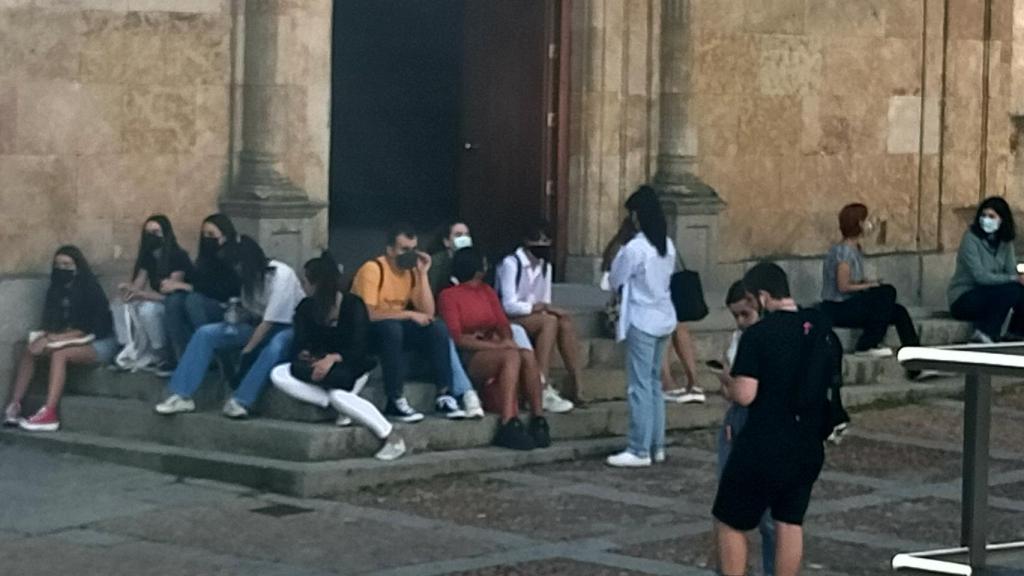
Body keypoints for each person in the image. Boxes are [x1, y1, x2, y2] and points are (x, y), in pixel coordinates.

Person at [713, 262, 828, 576]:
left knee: (730, 521)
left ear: (763, 296)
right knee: (789, 522)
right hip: (807, 439)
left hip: (765, 441)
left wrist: (727, 381)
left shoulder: (759, 335)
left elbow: (746, 393)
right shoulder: (818, 327)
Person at [271, 252, 406, 461]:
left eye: (306, 281)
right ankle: (334, 405)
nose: (303, 286)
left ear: (316, 283)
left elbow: (359, 348)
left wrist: (333, 358)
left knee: (339, 395)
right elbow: (301, 342)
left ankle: (390, 435)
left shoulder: (353, 305)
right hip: (319, 365)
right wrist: (308, 355)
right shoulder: (306, 308)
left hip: (351, 365)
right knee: (279, 373)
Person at [155, 236, 305, 419]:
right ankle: (181, 394)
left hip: (288, 328)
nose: (237, 271)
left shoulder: (282, 275)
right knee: (206, 333)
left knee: (275, 346)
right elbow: (252, 312)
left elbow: (270, 322)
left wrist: (246, 353)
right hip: (255, 325)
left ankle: (241, 400)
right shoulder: (245, 281)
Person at [351, 225, 482, 423]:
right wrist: (409, 314)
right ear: (390, 250)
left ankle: (444, 395)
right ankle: (395, 398)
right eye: (404, 250)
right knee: (392, 328)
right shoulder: (373, 269)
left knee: (437, 327)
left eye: (413, 249)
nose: (409, 255)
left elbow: (428, 313)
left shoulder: (411, 273)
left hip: (397, 328)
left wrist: (422, 275)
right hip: (369, 331)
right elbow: (368, 314)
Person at [439, 247, 550, 450]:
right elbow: (456, 337)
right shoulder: (449, 296)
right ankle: (508, 420)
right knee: (510, 357)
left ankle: (538, 417)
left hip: (494, 344)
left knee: (525, 354)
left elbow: (502, 323)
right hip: (471, 354)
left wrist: (506, 338)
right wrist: (495, 345)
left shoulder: (486, 291)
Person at [4, 246, 117, 432]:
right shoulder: (55, 290)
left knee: (60, 355)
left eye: (67, 264)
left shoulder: (90, 289)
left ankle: (49, 412)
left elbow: (87, 329)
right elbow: (50, 324)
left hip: (98, 341)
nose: (61, 268)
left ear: (77, 266)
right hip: (67, 338)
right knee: (30, 349)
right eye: (57, 264)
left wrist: (53, 338)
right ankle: (15, 405)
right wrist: (44, 338)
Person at [606, 186, 678, 468]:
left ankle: (638, 447)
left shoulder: (635, 248)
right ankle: (656, 444)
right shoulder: (667, 245)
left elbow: (616, 278)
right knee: (654, 383)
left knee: (639, 385)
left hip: (641, 318)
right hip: (663, 316)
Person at [602, 216, 703, 404]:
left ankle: (693, 381)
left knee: (676, 326)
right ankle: (668, 381)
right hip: (623, 310)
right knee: (658, 330)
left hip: (653, 309)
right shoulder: (628, 248)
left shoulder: (658, 246)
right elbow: (614, 281)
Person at [713, 281, 775, 576]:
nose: (739, 322)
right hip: (737, 416)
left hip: (760, 420)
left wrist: (730, 381)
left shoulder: (766, 338)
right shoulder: (739, 338)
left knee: (770, 516)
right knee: (727, 507)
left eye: (744, 315)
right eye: (735, 316)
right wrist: (726, 381)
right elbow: (732, 393)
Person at [497, 220, 581, 412]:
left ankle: (577, 383)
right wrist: (538, 307)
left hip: (534, 315)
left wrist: (545, 308)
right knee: (549, 322)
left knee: (564, 323)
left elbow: (545, 299)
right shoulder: (512, 263)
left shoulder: (545, 266)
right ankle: (540, 384)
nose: (542, 244)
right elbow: (508, 304)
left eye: (546, 239)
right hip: (510, 317)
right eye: (538, 239)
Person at [821, 203, 920, 360]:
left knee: (898, 312)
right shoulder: (844, 251)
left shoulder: (855, 249)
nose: (870, 224)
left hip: (851, 305)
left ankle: (916, 360)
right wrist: (869, 286)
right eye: (866, 220)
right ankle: (866, 345)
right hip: (838, 307)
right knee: (887, 292)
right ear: (859, 223)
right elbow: (843, 286)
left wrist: (867, 282)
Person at [111, 215, 192, 375]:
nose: (151, 237)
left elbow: (171, 296)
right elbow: (138, 285)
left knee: (148, 310)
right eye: (148, 233)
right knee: (118, 304)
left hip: (173, 304)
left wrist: (141, 294)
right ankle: (127, 348)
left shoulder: (177, 256)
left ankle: (161, 354)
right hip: (154, 299)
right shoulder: (148, 257)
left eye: (156, 232)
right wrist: (128, 291)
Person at [162, 213, 241, 365]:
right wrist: (178, 280)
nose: (206, 238)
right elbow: (198, 279)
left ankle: (208, 353)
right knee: (174, 301)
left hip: (228, 308)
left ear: (224, 235)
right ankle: (182, 358)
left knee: (194, 300)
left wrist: (186, 286)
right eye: (204, 234)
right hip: (205, 303)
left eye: (211, 234)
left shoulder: (233, 257)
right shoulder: (205, 257)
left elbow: (224, 289)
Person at [948, 196, 1024, 343]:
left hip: (992, 295)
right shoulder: (970, 239)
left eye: (991, 216)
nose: (986, 220)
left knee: (1020, 290)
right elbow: (980, 276)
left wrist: (1016, 278)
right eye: (984, 215)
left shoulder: (1005, 242)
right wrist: (1014, 279)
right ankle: (985, 332)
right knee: (1013, 289)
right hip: (965, 298)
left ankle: (1016, 333)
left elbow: (1010, 270)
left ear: (1002, 219)